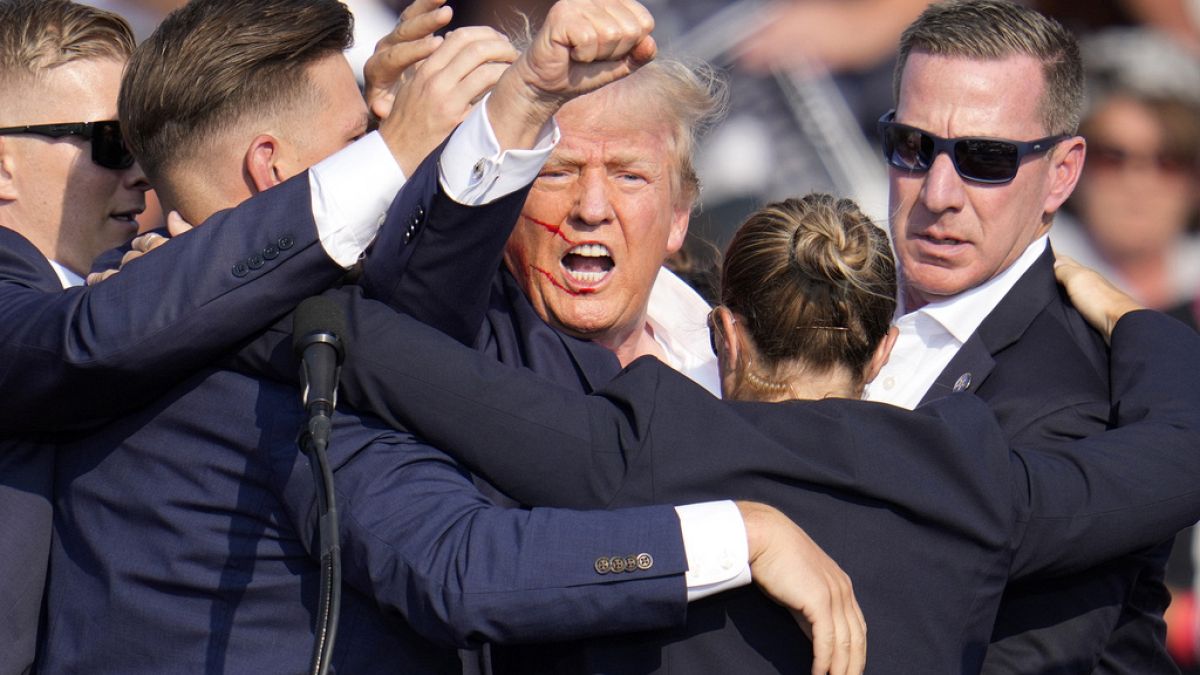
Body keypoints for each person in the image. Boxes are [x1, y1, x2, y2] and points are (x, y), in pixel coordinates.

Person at [42, 1, 867, 673]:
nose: (383, 163)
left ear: (684, 208)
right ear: (274, 170)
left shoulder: (122, 322)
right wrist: (739, 533)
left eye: (629, 175)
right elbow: (464, 566)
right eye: (360, 146)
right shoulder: (290, 358)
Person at [241, 192, 1200, 673]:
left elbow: (360, 342)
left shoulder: (643, 445)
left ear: (723, 329)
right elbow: (1180, 447)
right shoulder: (983, 480)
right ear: (882, 352)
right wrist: (1129, 318)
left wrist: (184, 275)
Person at [0, 0, 482, 668]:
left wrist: (351, 127)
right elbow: (83, 342)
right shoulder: (87, 313)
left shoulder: (130, 280)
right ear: (3, 165)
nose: (141, 172)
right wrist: (385, 154)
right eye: (111, 142)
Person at [864, 2, 1173, 670]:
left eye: (986, 159)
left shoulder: (1084, 398)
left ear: (1062, 172)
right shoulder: (817, 307)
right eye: (913, 147)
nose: (938, 192)